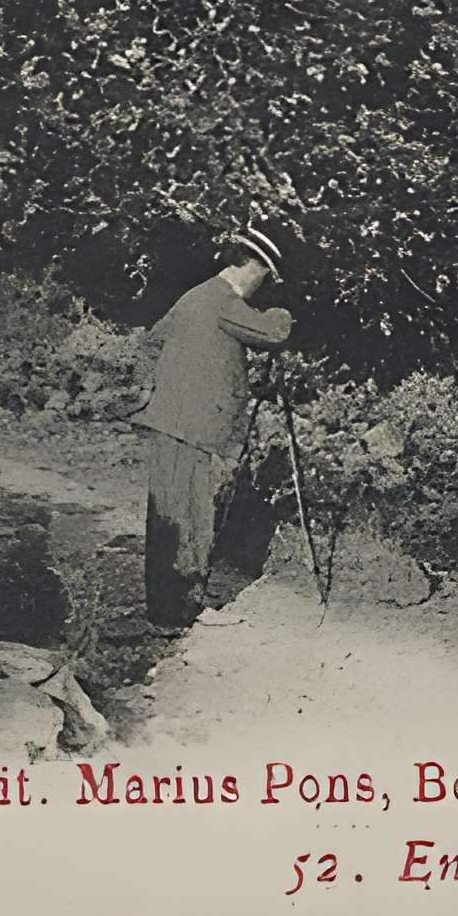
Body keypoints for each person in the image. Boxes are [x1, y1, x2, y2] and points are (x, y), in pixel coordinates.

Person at [136, 222, 299, 628]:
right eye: (264, 278)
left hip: (174, 422)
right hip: (190, 427)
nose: (262, 288)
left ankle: (167, 613)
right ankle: (181, 614)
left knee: (169, 517)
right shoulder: (222, 300)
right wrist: (286, 311)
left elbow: (156, 340)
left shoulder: (194, 298)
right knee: (189, 518)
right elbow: (273, 332)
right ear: (252, 267)